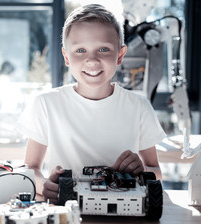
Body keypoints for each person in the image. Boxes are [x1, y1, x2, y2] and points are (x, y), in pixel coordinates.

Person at [16, 4, 166, 203]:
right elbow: (29, 169)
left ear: (120, 55)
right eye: (80, 50)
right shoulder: (45, 104)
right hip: (65, 212)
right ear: (66, 57)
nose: (92, 60)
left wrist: (141, 171)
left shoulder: (139, 107)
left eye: (104, 49)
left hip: (123, 217)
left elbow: (157, 173)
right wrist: (45, 185)